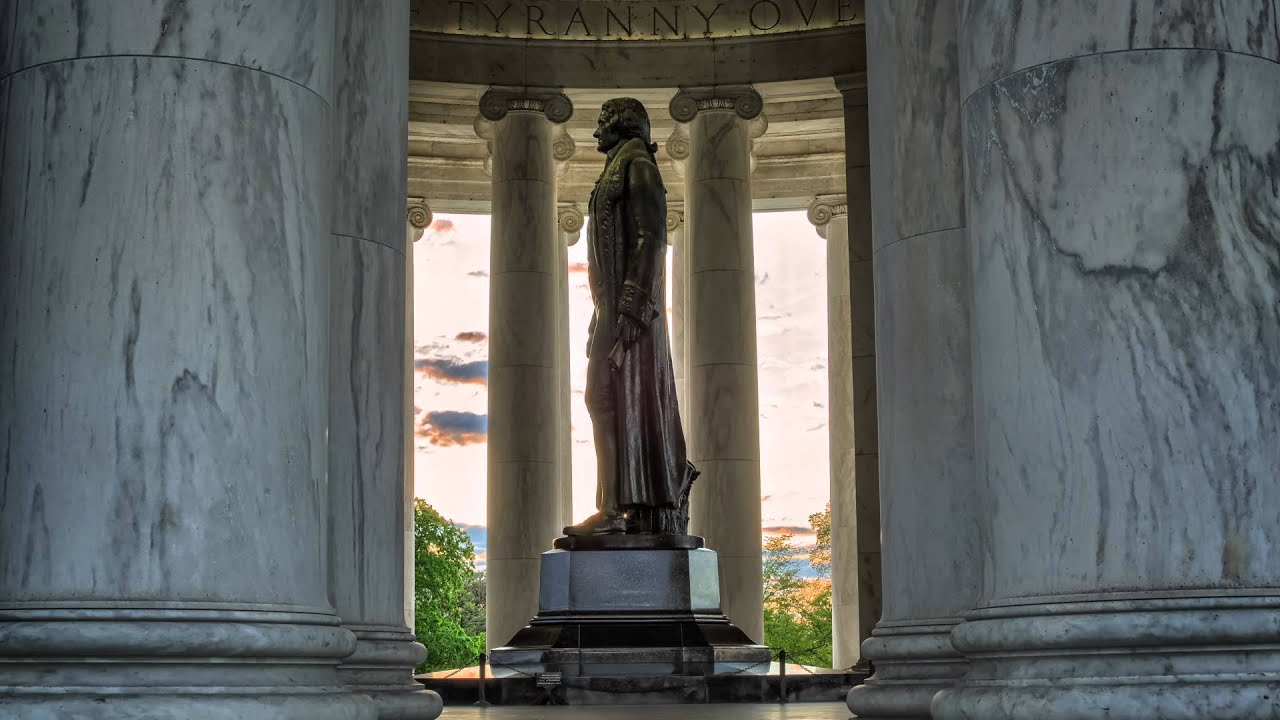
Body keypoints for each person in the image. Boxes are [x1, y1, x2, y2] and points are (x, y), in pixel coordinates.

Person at [563, 98, 698, 536]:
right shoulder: (619, 165)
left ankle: (616, 510)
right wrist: (599, 315)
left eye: (603, 120)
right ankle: (615, 506)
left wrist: (632, 306)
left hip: (631, 312)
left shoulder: (637, 163)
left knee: (606, 399)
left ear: (623, 123)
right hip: (613, 309)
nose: (596, 129)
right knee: (604, 400)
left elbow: (651, 237)